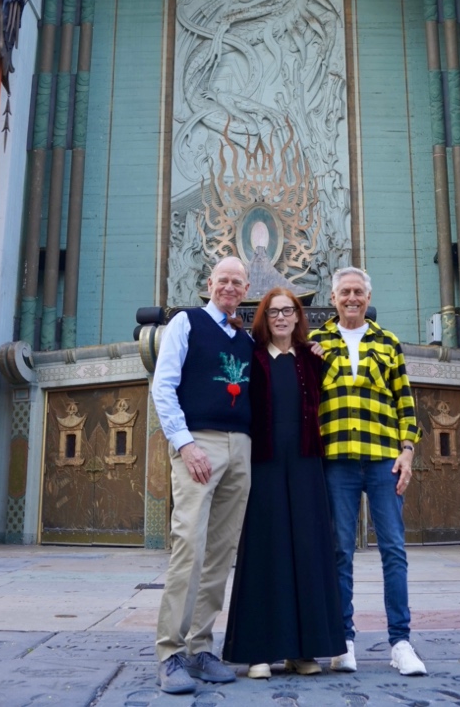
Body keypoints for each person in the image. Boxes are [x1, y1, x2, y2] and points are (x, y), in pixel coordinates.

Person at [223, 287, 345, 678]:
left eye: (287, 311)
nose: (280, 318)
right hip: (266, 463)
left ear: (297, 316)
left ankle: (302, 652)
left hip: (306, 462)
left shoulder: (312, 358)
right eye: (273, 312)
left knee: (307, 551)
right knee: (266, 550)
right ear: (264, 318)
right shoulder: (253, 357)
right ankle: (259, 653)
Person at [310, 266, 427, 677]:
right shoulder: (316, 343)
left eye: (358, 291)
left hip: (382, 459)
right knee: (339, 551)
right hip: (337, 459)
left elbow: (405, 402)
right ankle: (343, 641)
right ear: (333, 297)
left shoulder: (388, 342)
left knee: (393, 550)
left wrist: (407, 451)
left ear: (368, 297)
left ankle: (401, 642)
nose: (352, 298)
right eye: (344, 292)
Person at [151, 256, 254, 695]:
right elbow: (163, 385)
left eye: (237, 282)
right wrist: (184, 443)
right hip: (199, 444)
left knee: (220, 552)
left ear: (246, 290)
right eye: (223, 280)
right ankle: (170, 653)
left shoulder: (245, 338)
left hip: (240, 447)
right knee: (189, 546)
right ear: (209, 284)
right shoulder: (186, 323)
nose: (229, 287)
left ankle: (200, 646)